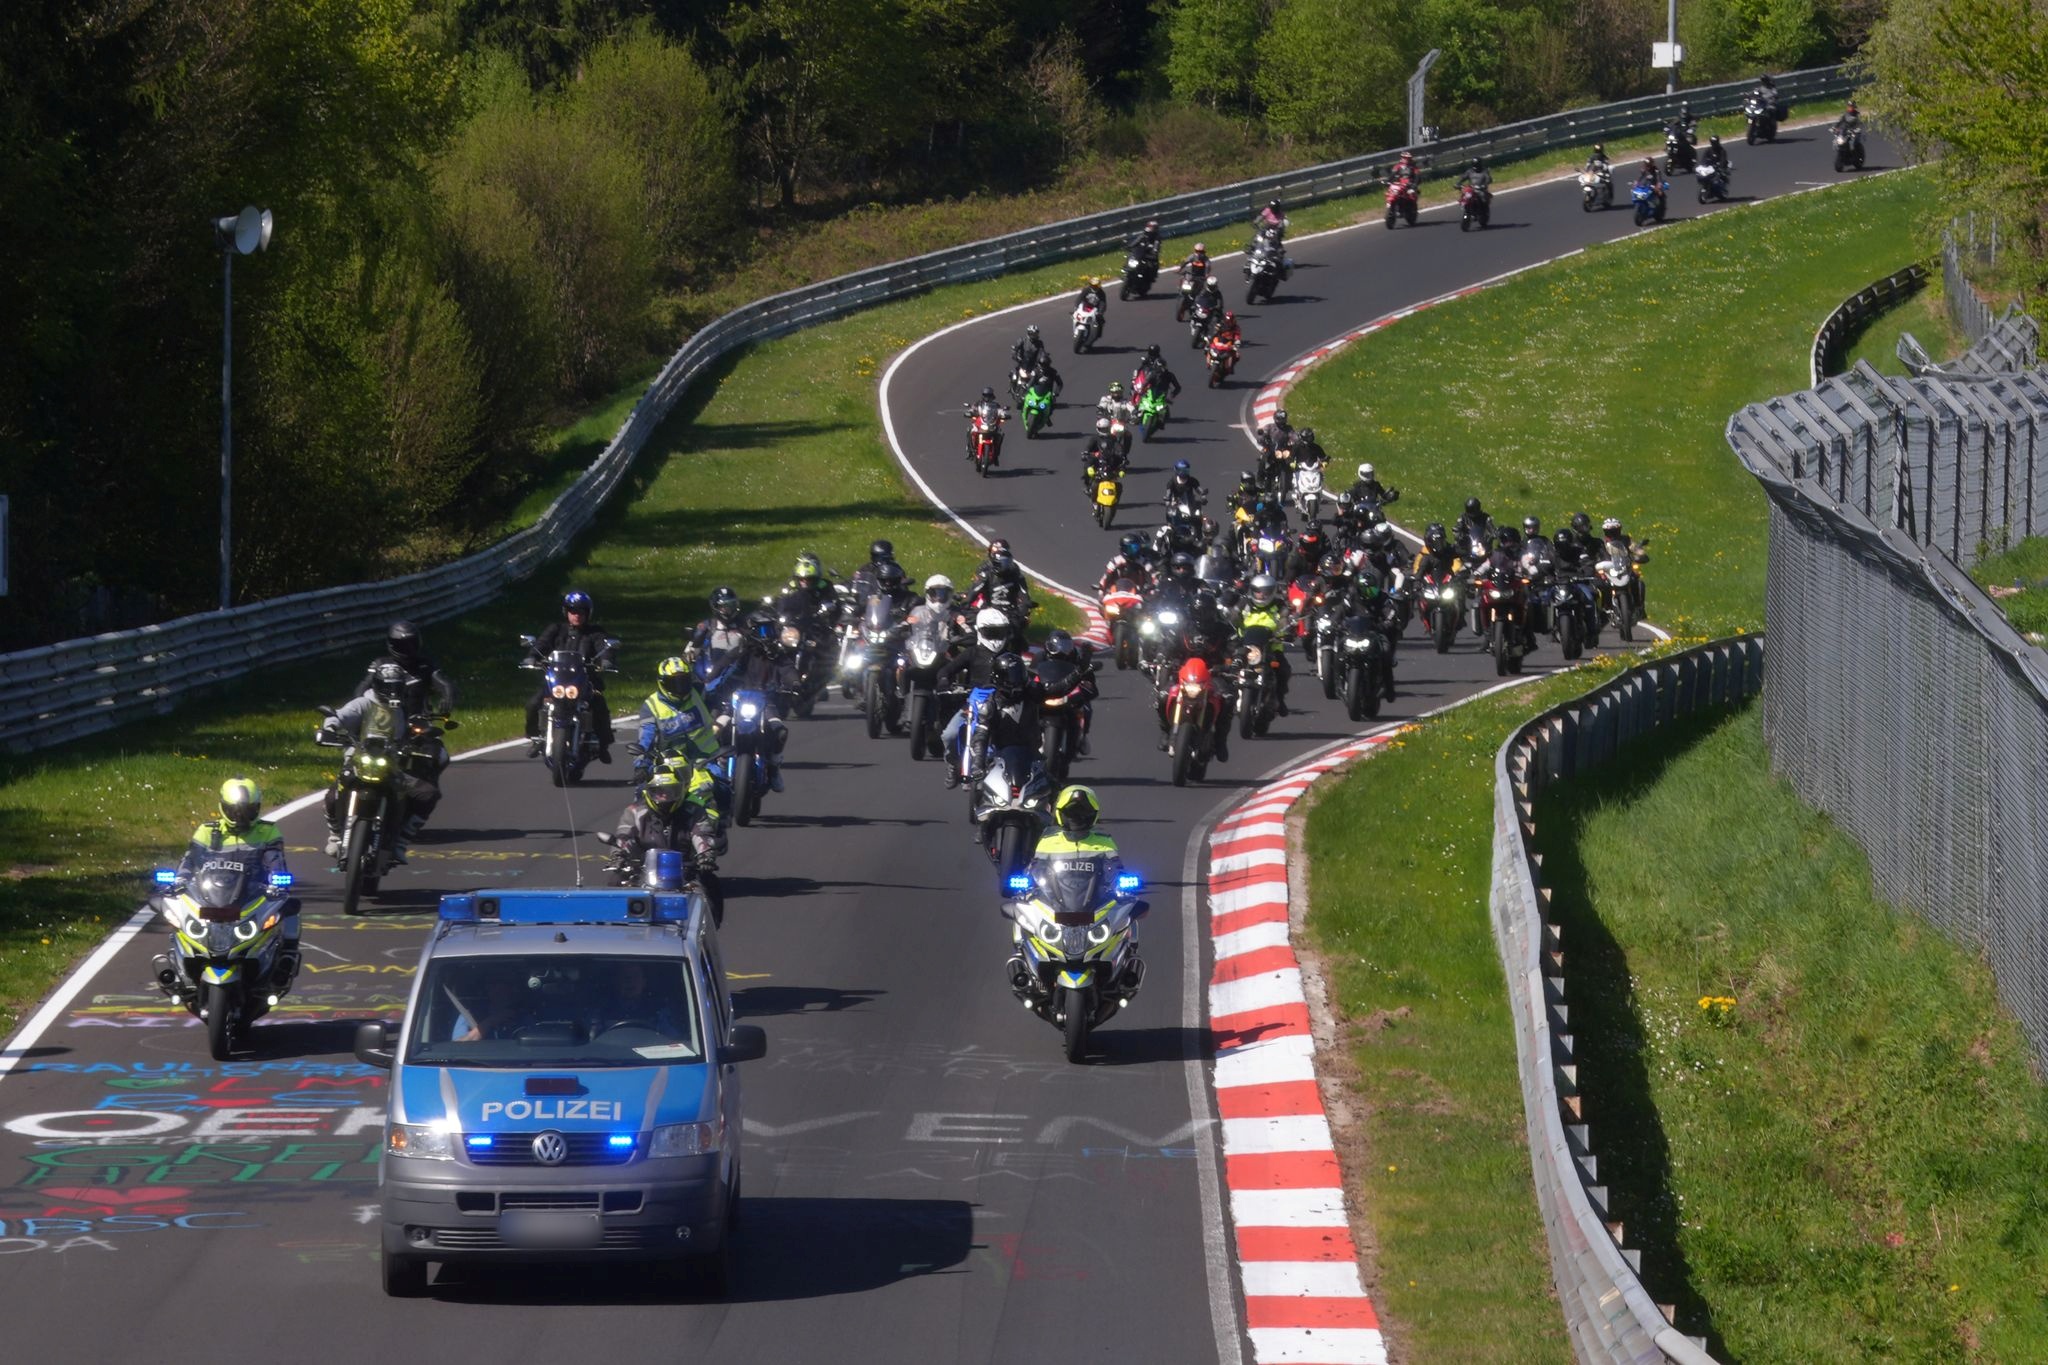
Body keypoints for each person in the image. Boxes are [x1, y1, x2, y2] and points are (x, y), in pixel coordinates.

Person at [321, 663, 442, 863]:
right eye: (388, 687)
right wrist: (330, 728)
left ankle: (401, 842)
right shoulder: (362, 704)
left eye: (397, 687)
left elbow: (416, 729)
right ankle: (335, 835)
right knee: (332, 797)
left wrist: (422, 740)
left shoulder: (403, 710)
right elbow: (339, 717)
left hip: (391, 767)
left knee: (428, 794)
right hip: (357, 762)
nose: (393, 692)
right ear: (377, 685)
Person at [523, 590, 614, 762]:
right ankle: (536, 738)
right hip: (557, 681)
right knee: (533, 704)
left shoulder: (595, 633)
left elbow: (605, 647)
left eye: (581, 611)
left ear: (588, 613)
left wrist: (606, 661)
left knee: (599, 705)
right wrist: (532, 657)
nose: (577, 615)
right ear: (566, 612)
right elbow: (542, 643)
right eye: (573, 611)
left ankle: (603, 745)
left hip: (586, 681)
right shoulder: (556, 629)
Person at [614, 767, 724, 880]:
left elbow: (702, 835)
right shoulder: (634, 812)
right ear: (649, 792)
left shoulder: (695, 811)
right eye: (659, 792)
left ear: (681, 790)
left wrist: (705, 856)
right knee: (615, 881)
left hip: (686, 872)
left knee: (710, 883)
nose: (664, 797)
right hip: (641, 872)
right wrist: (618, 855)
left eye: (670, 791)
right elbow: (624, 835)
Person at [633, 655, 721, 783]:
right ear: (662, 682)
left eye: (684, 682)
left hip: (704, 759)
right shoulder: (651, 706)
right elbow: (646, 738)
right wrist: (641, 766)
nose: (680, 688)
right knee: (645, 792)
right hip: (668, 765)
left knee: (719, 787)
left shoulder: (699, 691)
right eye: (673, 683)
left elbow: (722, 686)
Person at [356, 620, 456, 730]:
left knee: (435, 745)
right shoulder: (380, 664)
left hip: (419, 723)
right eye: (402, 646)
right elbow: (363, 688)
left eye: (411, 644)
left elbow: (443, 682)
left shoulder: (425, 665)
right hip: (385, 725)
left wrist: (448, 696)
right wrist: (361, 712)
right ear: (392, 644)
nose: (408, 649)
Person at [1237, 574, 1291, 716]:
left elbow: (1285, 619)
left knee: (1283, 670)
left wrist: (1287, 631)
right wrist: (1229, 626)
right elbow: (1233, 616)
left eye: (1265, 592)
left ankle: (1280, 699)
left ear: (1272, 591)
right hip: (1246, 646)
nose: (1261, 595)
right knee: (1229, 667)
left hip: (1271, 646)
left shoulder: (1279, 605)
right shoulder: (1245, 603)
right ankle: (1228, 699)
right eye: (1258, 591)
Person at [687, 586, 748, 684]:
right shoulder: (707, 626)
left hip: (738, 674)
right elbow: (691, 652)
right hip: (710, 675)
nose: (730, 610)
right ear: (716, 607)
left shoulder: (744, 625)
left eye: (732, 605)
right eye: (725, 607)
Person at [965, 386, 1008, 462]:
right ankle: (970, 450)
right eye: (985, 395)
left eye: (989, 395)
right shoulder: (979, 403)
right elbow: (973, 408)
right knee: (970, 431)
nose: (987, 397)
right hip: (980, 423)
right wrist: (970, 412)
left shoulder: (996, 405)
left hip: (991, 424)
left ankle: (996, 453)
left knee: (1000, 434)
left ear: (992, 396)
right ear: (983, 395)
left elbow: (1000, 411)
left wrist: (1004, 415)